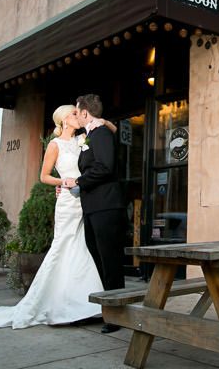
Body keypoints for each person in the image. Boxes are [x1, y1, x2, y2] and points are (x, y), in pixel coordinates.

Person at [0, 105, 103, 332]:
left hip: (85, 199)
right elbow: (44, 176)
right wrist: (63, 182)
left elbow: (103, 139)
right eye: (74, 114)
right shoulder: (55, 145)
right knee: (63, 246)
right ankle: (55, 302)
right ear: (64, 119)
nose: (79, 116)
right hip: (67, 202)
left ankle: (83, 304)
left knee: (81, 247)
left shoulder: (83, 139)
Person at [62, 94, 126, 333]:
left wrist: (80, 181)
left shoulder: (101, 134)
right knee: (99, 258)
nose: (76, 116)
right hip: (93, 206)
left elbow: (105, 166)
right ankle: (111, 308)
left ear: (85, 112)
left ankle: (117, 316)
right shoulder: (91, 135)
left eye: (77, 112)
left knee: (110, 262)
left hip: (106, 206)